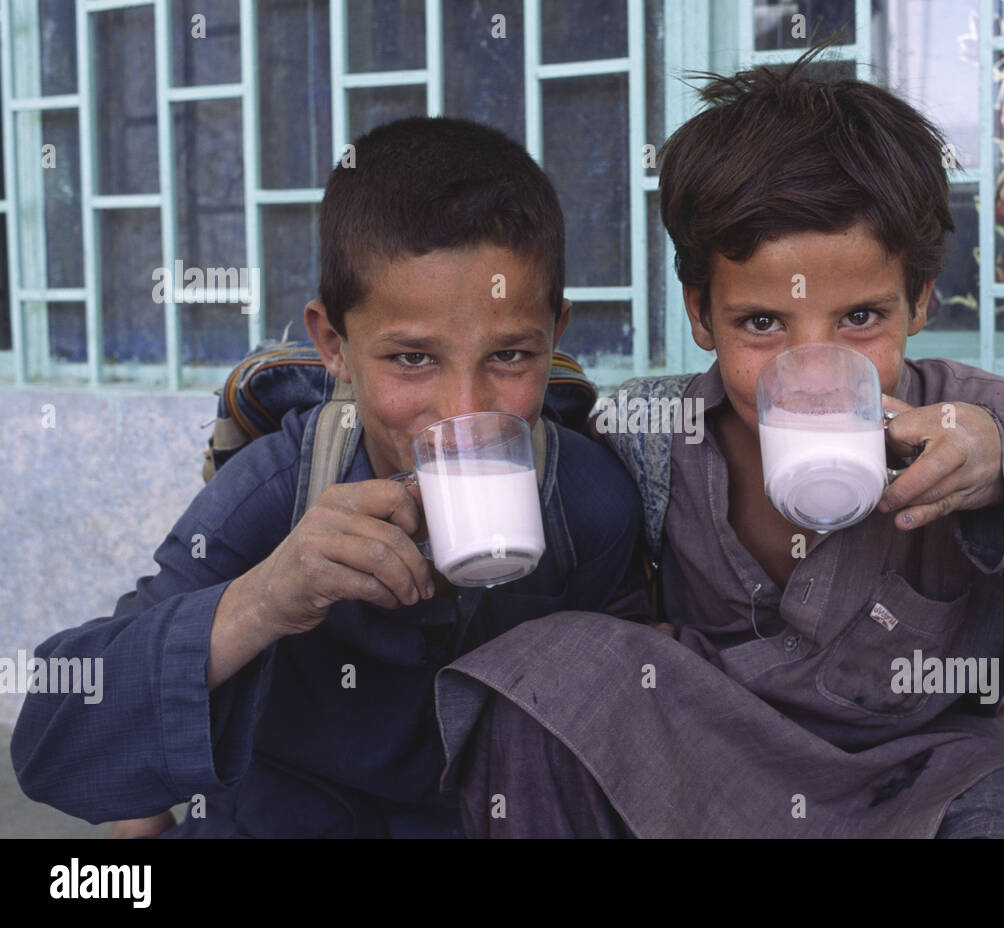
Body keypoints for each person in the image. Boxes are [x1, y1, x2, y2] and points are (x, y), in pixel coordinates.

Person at [431, 54, 1004, 838]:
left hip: (919, 787)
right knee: (537, 681)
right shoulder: (648, 440)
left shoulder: (983, 432)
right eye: (762, 323)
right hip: (709, 775)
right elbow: (580, 614)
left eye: (861, 318)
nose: (815, 367)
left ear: (921, 301)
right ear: (701, 314)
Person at [10, 116, 647, 838]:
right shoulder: (279, 489)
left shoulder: (588, 504)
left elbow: (627, 737)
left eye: (510, 357)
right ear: (333, 346)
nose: (461, 413)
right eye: (411, 359)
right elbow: (51, 746)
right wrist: (266, 598)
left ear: (556, 335)